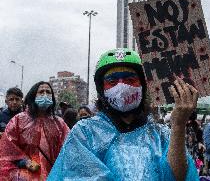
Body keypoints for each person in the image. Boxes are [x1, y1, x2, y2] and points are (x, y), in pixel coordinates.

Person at [47, 48, 199, 180]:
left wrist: (179, 125)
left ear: (143, 87)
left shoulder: (161, 134)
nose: (122, 86)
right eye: (112, 81)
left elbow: (178, 177)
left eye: (130, 79)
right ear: (102, 90)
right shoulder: (85, 132)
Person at [0, 81, 70, 180]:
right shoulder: (18, 120)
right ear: (33, 96)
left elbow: (69, 150)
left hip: (53, 176)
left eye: (48, 92)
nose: (45, 95)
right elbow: (6, 151)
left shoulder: (59, 123)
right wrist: (24, 163)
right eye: (41, 92)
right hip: (25, 176)